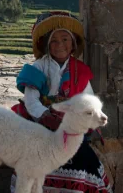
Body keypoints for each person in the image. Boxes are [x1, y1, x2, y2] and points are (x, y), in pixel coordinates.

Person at [10, 11, 113, 193]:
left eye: (65, 39)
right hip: (41, 124)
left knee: (83, 157)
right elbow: (31, 101)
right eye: (54, 41)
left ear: (72, 44)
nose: (60, 45)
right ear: (47, 45)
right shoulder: (37, 68)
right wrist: (47, 117)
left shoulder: (80, 72)